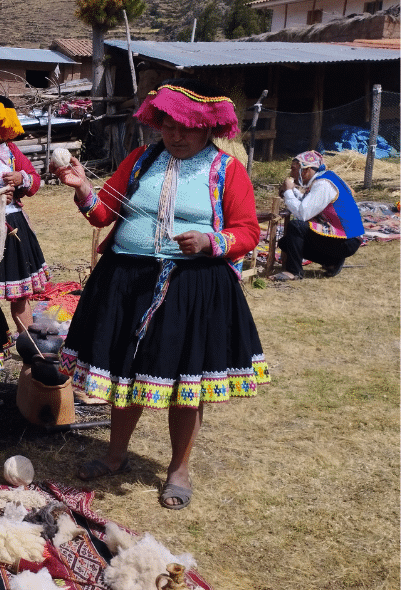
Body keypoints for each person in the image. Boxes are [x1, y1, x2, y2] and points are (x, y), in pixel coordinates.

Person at [52, 79, 269, 510]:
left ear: (209, 129)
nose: (175, 135)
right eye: (169, 125)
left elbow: (248, 231)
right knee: (123, 375)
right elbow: (102, 212)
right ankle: (115, 456)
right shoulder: (141, 159)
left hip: (191, 288)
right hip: (126, 281)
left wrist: (211, 243)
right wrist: (81, 187)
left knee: (184, 382)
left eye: (187, 128)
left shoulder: (226, 171)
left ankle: (179, 470)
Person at [0, 93, 50, 331]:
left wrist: (20, 178)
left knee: (20, 294)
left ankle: (28, 343)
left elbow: (34, 181)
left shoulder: (10, 151)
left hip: (12, 224)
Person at [273, 150, 364, 280]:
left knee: (296, 226)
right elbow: (308, 204)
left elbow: (303, 214)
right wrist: (292, 192)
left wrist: (288, 192)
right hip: (343, 238)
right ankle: (331, 261)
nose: (291, 173)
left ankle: (294, 272)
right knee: (286, 243)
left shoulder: (324, 184)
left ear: (306, 170)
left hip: (347, 241)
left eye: (294, 169)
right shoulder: (322, 180)